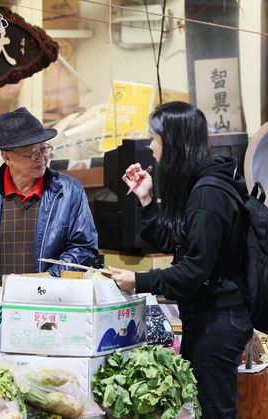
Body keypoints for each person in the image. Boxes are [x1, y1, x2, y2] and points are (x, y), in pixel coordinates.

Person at [109, 101, 253, 419]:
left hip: (220, 318)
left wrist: (139, 281)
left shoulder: (208, 195)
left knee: (214, 411)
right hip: (209, 316)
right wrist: (146, 198)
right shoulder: (198, 186)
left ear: (172, 143)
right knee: (202, 407)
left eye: (154, 139)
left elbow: (193, 271)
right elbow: (174, 244)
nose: (149, 146)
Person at [0, 107, 98, 292]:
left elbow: (84, 247)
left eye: (44, 149)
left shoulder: (69, 191)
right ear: (6, 156)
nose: (41, 158)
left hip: (49, 299)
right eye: (32, 153)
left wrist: (51, 277)